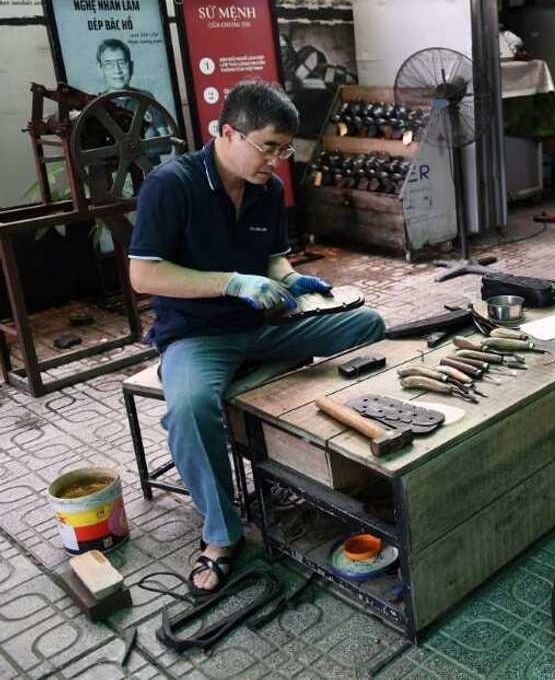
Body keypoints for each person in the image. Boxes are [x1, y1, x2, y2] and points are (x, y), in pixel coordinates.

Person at [128, 79, 385, 594]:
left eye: (284, 148)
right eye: (267, 146)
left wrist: (289, 279)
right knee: (190, 408)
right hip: (199, 335)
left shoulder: (268, 190)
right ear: (228, 133)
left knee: (369, 324)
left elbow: (270, 256)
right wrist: (231, 282)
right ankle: (221, 536)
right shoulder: (170, 184)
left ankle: (332, 463)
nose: (276, 159)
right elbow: (145, 275)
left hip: (265, 326)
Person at [95, 38, 172, 138]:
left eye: (122, 63)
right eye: (109, 64)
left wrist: (149, 132)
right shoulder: (96, 105)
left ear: (131, 66)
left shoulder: (146, 98)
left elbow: (166, 143)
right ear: (100, 69)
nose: (117, 70)